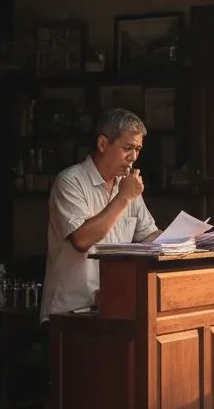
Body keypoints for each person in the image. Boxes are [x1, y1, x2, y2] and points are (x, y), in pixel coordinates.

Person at [40, 108, 160, 322]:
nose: (133, 157)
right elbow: (82, 239)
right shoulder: (70, 181)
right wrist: (123, 198)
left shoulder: (126, 186)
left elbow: (148, 236)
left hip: (113, 307)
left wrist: (186, 240)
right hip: (70, 312)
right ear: (103, 144)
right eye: (128, 148)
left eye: (138, 149)